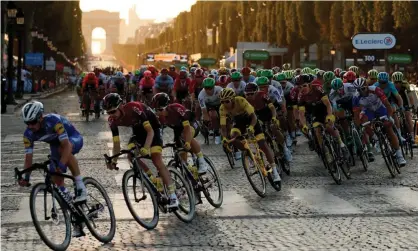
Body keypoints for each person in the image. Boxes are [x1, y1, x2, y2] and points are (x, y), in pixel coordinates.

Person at [20, 101, 86, 236]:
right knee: (57, 185)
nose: (30, 126)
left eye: (32, 122)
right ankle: (77, 218)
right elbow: (28, 158)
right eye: (27, 123)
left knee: (63, 151)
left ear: (40, 117)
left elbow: (67, 146)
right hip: (56, 146)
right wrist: (26, 177)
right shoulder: (28, 134)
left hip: (72, 139)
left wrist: (61, 165)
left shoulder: (53, 121)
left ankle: (80, 186)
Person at [102, 93, 179, 208]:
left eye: (113, 111)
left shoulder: (134, 108)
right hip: (138, 131)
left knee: (156, 159)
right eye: (108, 113)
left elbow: (150, 132)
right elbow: (116, 143)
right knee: (130, 155)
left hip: (153, 128)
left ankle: (173, 196)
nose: (111, 115)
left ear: (121, 106)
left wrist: (146, 148)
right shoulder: (112, 121)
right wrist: (114, 160)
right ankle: (153, 179)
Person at [219, 88, 281, 182]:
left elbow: (254, 117)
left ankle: (275, 172)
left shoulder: (241, 100)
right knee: (233, 137)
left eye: (227, 101)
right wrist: (224, 138)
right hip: (239, 122)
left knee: (262, 144)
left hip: (251, 120)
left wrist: (251, 127)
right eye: (222, 101)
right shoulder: (222, 108)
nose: (225, 104)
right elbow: (223, 127)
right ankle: (249, 155)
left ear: (232, 99)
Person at [152, 92, 207, 174]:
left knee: (185, 136)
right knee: (181, 155)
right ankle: (190, 174)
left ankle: (202, 161)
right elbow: (158, 133)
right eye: (156, 110)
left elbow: (187, 128)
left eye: (160, 110)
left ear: (167, 107)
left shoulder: (176, 109)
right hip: (178, 129)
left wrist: (188, 142)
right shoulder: (160, 118)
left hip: (190, 123)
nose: (158, 112)